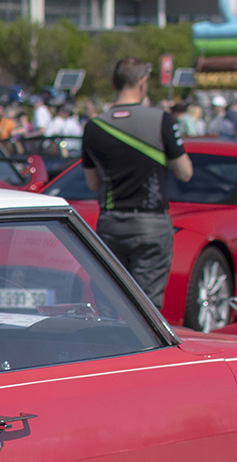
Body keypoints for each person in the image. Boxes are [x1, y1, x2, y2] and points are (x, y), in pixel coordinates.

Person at [80, 58, 193, 307]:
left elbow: (92, 183)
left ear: (113, 83)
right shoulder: (161, 119)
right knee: (147, 306)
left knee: (110, 301)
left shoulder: (94, 126)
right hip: (150, 222)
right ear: (143, 83)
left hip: (111, 222)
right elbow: (185, 172)